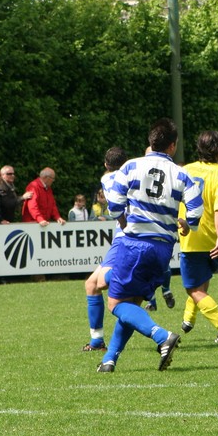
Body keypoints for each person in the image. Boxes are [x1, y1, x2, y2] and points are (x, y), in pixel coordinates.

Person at [96, 119, 203, 373]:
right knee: (131, 305)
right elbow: (196, 210)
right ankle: (109, 360)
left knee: (115, 304)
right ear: (173, 146)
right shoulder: (182, 174)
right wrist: (187, 224)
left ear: (150, 141)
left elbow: (113, 201)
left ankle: (162, 336)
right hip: (162, 250)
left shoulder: (131, 166)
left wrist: (122, 220)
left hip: (134, 244)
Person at [179, 130, 218, 342]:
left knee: (193, 289)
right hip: (216, 241)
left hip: (192, 239)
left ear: (198, 148)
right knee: (202, 280)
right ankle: (189, 317)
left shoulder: (185, 170)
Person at [83, 147, 129, 352]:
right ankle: (96, 341)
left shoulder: (107, 178)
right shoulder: (134, 173)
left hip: (125, 236)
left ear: (105, 165)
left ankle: (161, 335)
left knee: (99, 283)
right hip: (132, 234)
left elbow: (116, 206)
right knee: (92, 284)